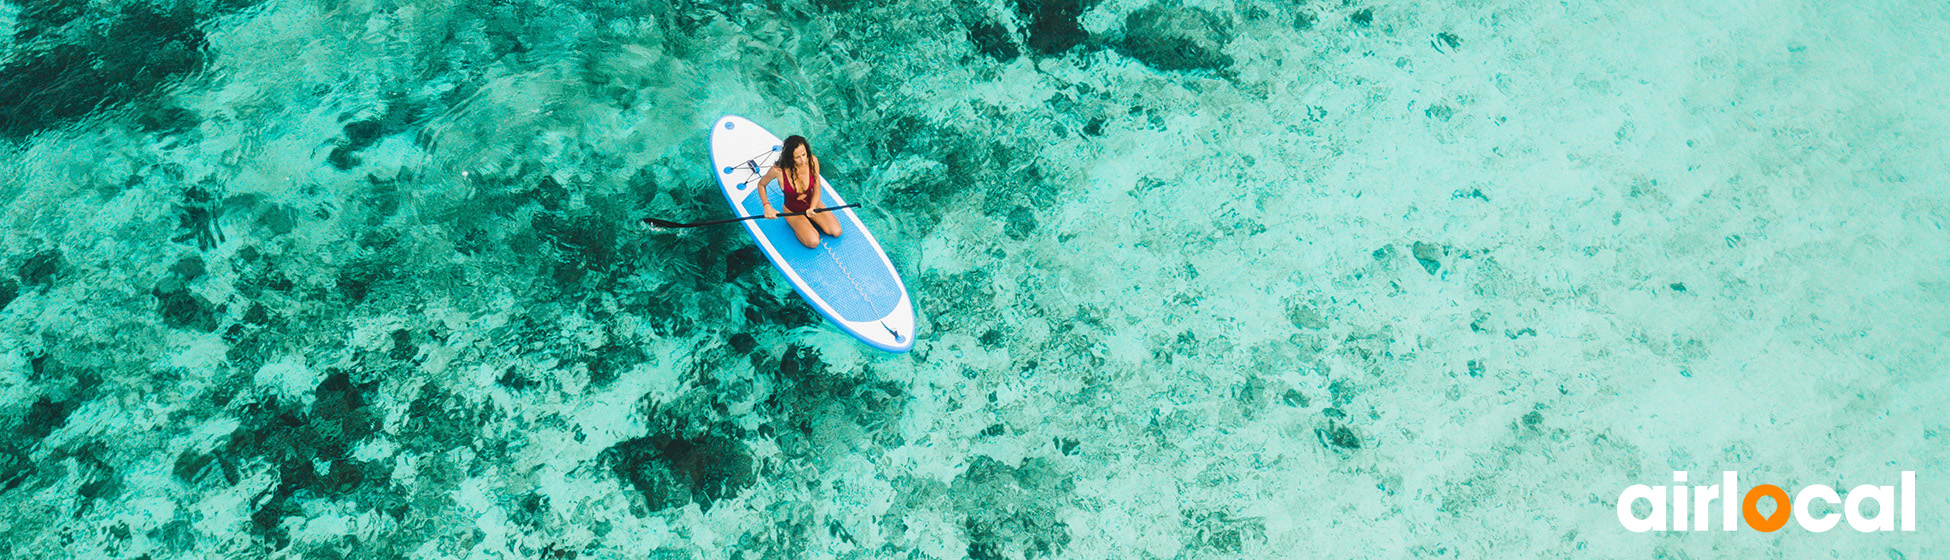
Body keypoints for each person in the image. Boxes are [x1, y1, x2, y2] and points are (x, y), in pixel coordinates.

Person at [755, 135, 842, 248]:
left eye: (804, 154)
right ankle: (798, 226)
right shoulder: (778, 171)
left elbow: (817, 186)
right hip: (792, 211)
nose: (803, 160)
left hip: (812, 204)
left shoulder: (812, 161)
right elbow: (761, 185)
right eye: (797, 157)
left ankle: (810, 219)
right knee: (813, 242)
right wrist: (767, 206)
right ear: (790, 157)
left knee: (836, 231)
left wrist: (813, 207)